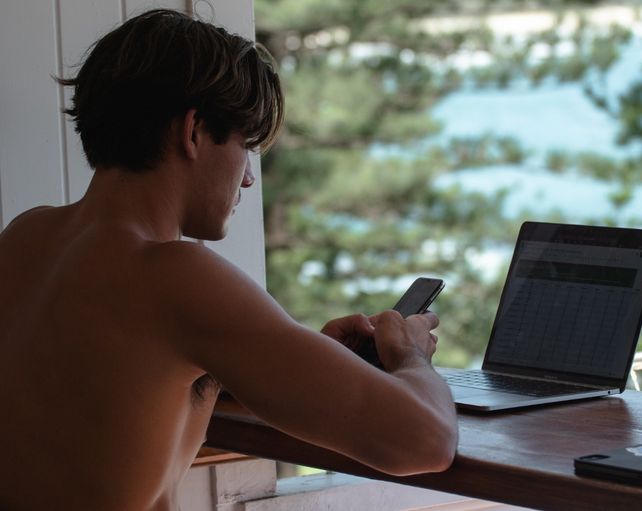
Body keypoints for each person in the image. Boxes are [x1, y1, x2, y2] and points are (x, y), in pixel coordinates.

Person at [0, 9, 457, 511]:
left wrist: (305, 360)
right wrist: (412, 355)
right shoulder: (173, 275)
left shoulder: (26, 236)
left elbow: (111, 394)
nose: (246, 180)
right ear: (193, 131)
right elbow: (426, 442)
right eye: (245, 145)